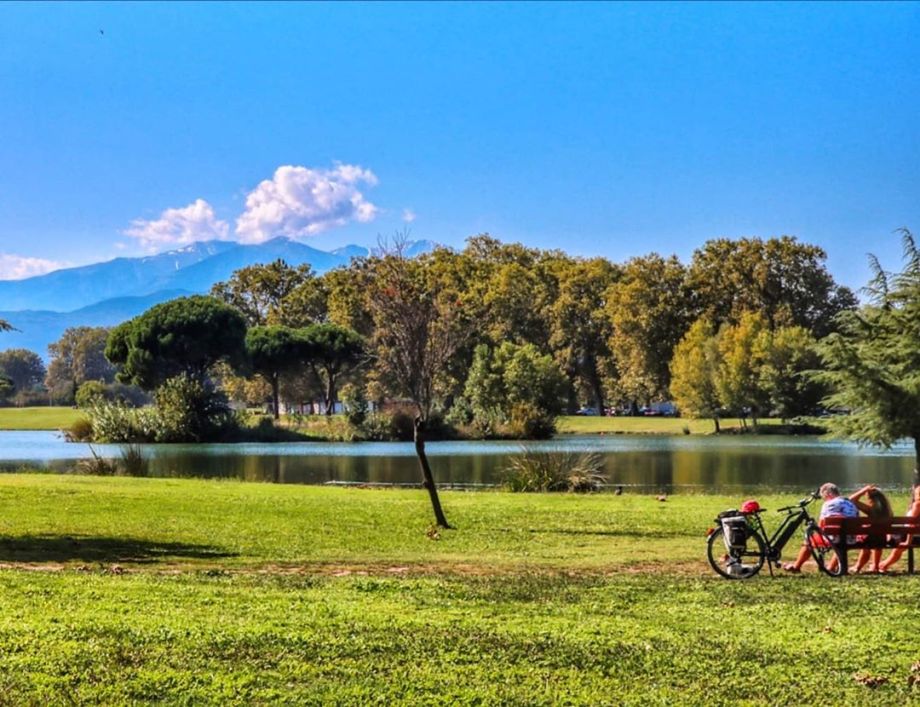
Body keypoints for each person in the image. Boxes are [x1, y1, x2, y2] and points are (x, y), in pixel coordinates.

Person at [782, 482, 858, 573]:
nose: (824, 499)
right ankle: (831, 567)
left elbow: (821, 525)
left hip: (834, 537)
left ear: (828, 494)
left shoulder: (829, 503)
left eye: (824, 497)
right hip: (851, 538)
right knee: (840, 543)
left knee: (808, 541)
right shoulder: (850, 503)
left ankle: (797, 566)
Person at [848, 484, 894, 573]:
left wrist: (863, 490)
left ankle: (857, 567)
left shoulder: (871, 509)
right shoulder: (888, 511)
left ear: (870, 499)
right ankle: (875, 566)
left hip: (869, 539)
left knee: (867, 541)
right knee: (877, 539)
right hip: (882, 540)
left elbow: (851, 499)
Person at [878, 485, 920, 572]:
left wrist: (908, 542)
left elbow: (911, 524)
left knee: (891, 539)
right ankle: (883, 564)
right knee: (894, 539)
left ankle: (883, 565)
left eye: (916, 492)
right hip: (911, 534)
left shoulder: (918, 505)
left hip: (911, 535)